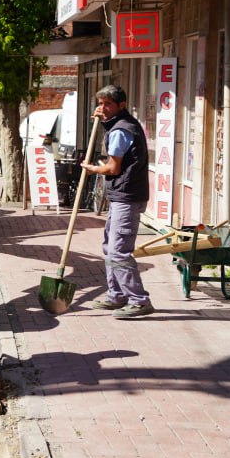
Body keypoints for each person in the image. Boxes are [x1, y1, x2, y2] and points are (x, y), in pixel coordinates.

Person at [81, 85, 154, 318]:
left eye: (108, 104)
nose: (102, 108)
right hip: (122, 195)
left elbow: (113, 168)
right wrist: (103, 122)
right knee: (109, 247)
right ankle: (117, 295)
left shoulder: (121, 130)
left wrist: (93, 169)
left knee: (119, 251)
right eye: (100, 104)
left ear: (122, 105)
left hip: (127, 197)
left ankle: (139, 300)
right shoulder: (120, 125)